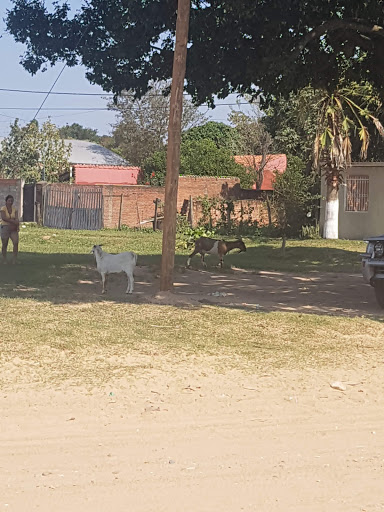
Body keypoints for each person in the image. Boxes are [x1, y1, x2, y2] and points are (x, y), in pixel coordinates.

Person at [1, 195, 19, 264]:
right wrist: (13, 221)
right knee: (5, 244)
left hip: (13, 228)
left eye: (11, 201)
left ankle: (14, 259)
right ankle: (4, 259)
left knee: (16, 242)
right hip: (5, 227)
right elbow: (3, 218)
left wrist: (17, 225)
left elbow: (17, 218)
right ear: (6, 201)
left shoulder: (15, 209)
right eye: (9, 201)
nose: (10, 202)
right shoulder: (3, 209)